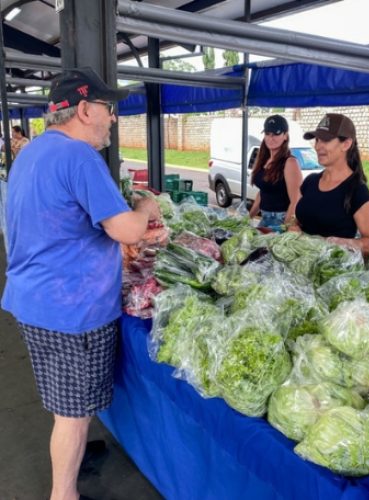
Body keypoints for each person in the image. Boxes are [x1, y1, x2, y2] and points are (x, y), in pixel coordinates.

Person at [1, 67, 160, 500]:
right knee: (71, 415)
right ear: (85, 109)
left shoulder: (31, 154)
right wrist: (146, 207)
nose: (112, 118)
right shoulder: (79, 157)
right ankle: (63, 495)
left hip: (33, 299)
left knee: (65, 404)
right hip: (70, 309)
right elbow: (126, 231)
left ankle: (71, 458)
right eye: (108, 109)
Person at [291, 113, 369, 254]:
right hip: (299, 265)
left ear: (346, 144)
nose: (318, 146)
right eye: (317, 140)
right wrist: (294, 226)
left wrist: (339, 243)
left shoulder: (358, 191)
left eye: (325, 140)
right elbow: (302, 219)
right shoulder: (310, 182)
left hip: (330, 271)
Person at [248, 114, 302, 229]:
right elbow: (263, 192)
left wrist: (285, 228)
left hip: (281, 220)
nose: (271, 138)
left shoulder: (290, 162)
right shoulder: (263, 160)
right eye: (268, 134)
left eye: (276, 133)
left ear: (285, 136)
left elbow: (295, 201)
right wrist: (248, 217)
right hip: (264, 218)